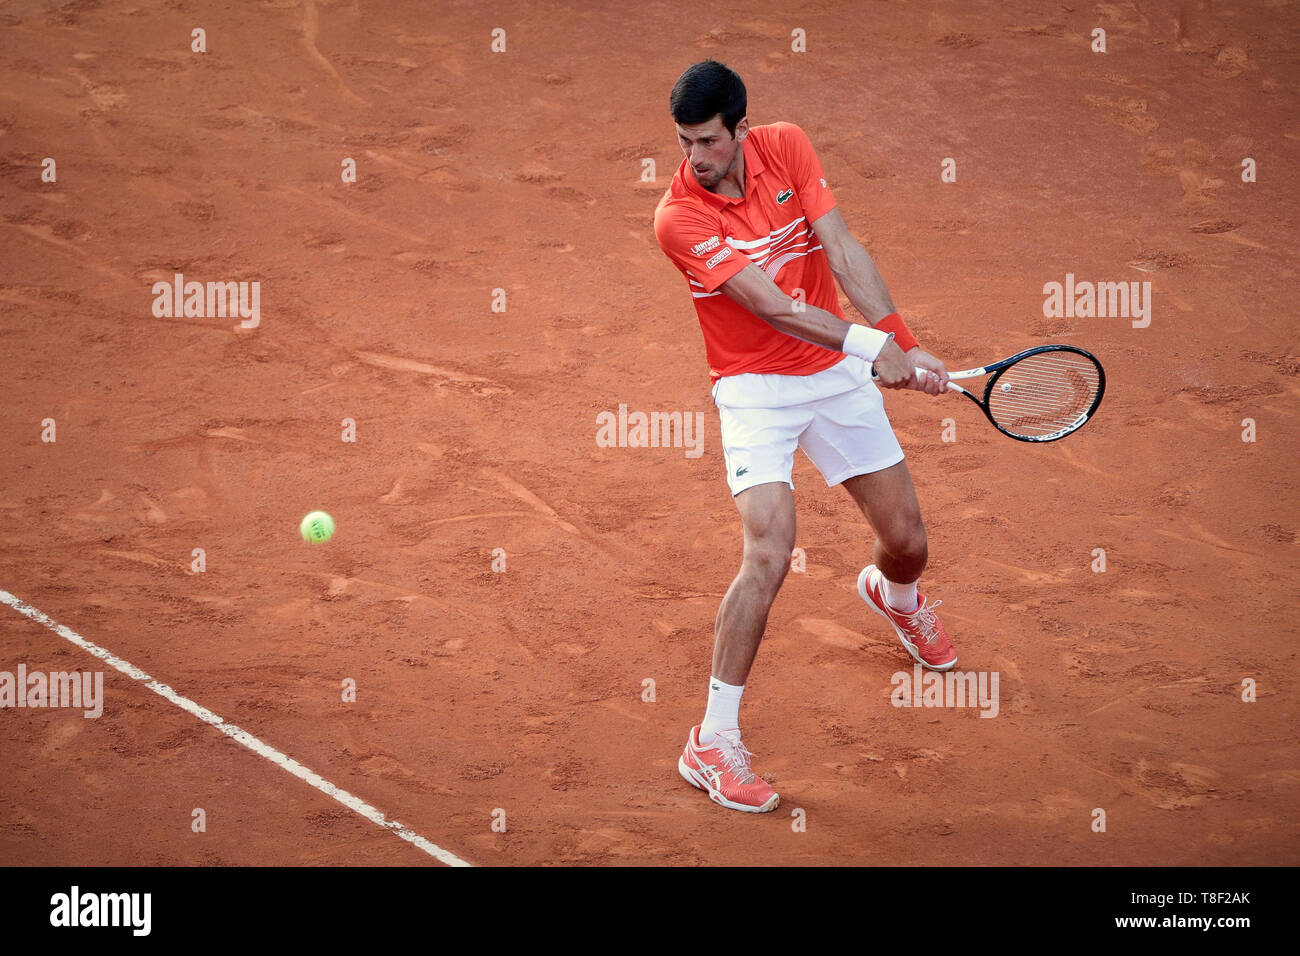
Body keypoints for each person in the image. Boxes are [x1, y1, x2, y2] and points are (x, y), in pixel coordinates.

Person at [654, 60, 959, 814]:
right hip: (753, 389)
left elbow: (843, 249)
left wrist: (904, 342)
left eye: (708, 141)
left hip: (833, 373)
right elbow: (772, 308)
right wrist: (871, 347)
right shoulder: (679, 217)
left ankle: (894, 596)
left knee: (908, 541)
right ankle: (712, 741)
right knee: (768, 549)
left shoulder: (787, 145)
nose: (695, 157)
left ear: (742, 128)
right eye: (685, 142)